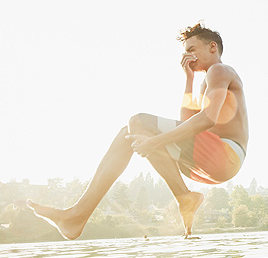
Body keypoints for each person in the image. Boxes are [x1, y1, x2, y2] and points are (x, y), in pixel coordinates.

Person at [28, 23, 248, 239]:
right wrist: (189, 79)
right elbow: (186, 123)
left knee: (138, 122)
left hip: (225, 155)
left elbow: (206, 120)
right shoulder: (206, 81)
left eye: (191, 50)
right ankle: (76, 216)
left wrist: (155, 142)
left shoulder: (220, 70)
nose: (187, 56)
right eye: (185, 52)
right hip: (213, 163)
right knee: (128, 134)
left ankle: (184, 197)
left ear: (212, 47)